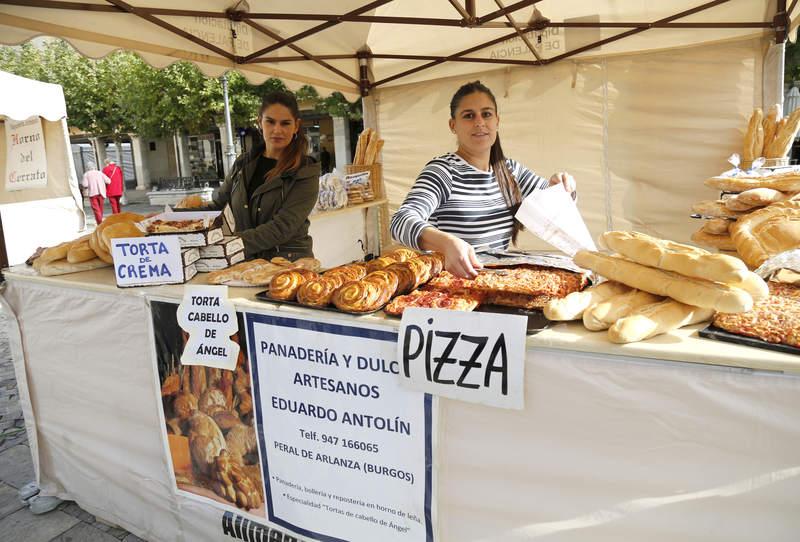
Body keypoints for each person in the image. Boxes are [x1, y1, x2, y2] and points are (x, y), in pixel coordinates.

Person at [390, 80, 577, 278]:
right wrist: (447, 243)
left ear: (497, 121)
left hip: (501, 283)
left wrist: (562, 187)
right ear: (453, 125)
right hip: (451, 291)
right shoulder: (443, 172)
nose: (479, 122)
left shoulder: (510, 170)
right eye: (469, 116)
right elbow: (400, 221)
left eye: (486, 114)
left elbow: (555, 206)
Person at [180, 91, 320, 261]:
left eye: (285, 123)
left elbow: (282, 228)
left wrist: (230, 243)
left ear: (296, 126)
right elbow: (217, 207)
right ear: (259, 122)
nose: (277, 130)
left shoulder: (305, 171)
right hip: (245, 263)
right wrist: (170, 218)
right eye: (270, 122)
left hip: (287, 264)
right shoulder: (243, 164)